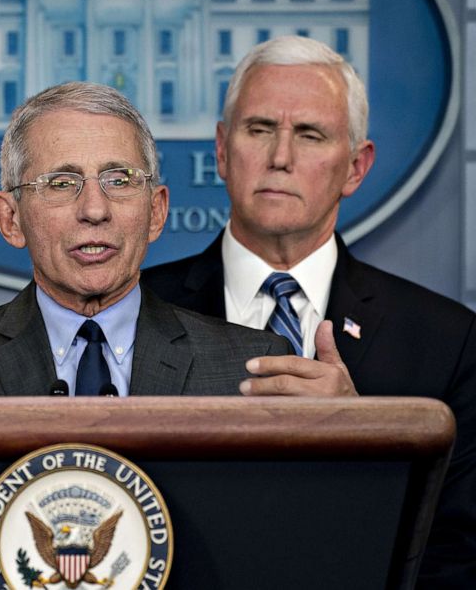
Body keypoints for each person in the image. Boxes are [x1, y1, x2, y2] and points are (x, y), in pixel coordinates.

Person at [142, 35, 476, 586]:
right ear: (222, 151)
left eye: (310, 135)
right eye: (260, 129)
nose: (280, 157)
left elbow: (456, 557)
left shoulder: (445, 340)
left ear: (355, 167)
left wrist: (364, 440)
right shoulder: (132, 312)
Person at [0, 81, 290, 397]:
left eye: (120, 179)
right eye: (60, 182)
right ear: (11, 218)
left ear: (156, 212)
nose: (94, 209)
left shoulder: (251, 369)